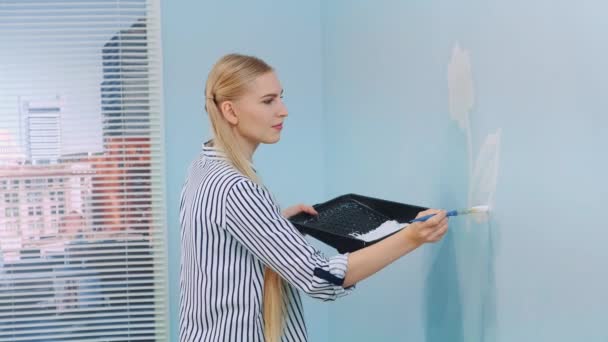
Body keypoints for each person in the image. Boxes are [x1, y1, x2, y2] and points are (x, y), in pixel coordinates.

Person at [179, 53, 449, 342]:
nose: (283, 111)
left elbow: (222, 246)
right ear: (231, 112)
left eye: (281, 97)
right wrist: (411, 237)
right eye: (268, 101)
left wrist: (274, 224)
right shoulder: (237, 190)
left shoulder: (203, 168)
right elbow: (320, 278)